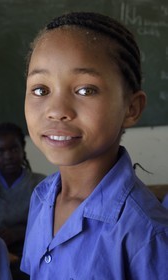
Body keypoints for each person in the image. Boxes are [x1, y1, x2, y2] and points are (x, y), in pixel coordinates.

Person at [20, 12, 168, 279]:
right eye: (41, 90)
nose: (56, 110)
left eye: (85, 90)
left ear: (131, 108)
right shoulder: (42, 197)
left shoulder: (148, 233)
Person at [0, 122, 45, 279]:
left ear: (23, 149)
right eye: (0, 151)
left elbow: (48, 225)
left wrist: (17, 233)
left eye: (13, 149)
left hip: (24, 251)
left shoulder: (41, 184)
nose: (8, 156)